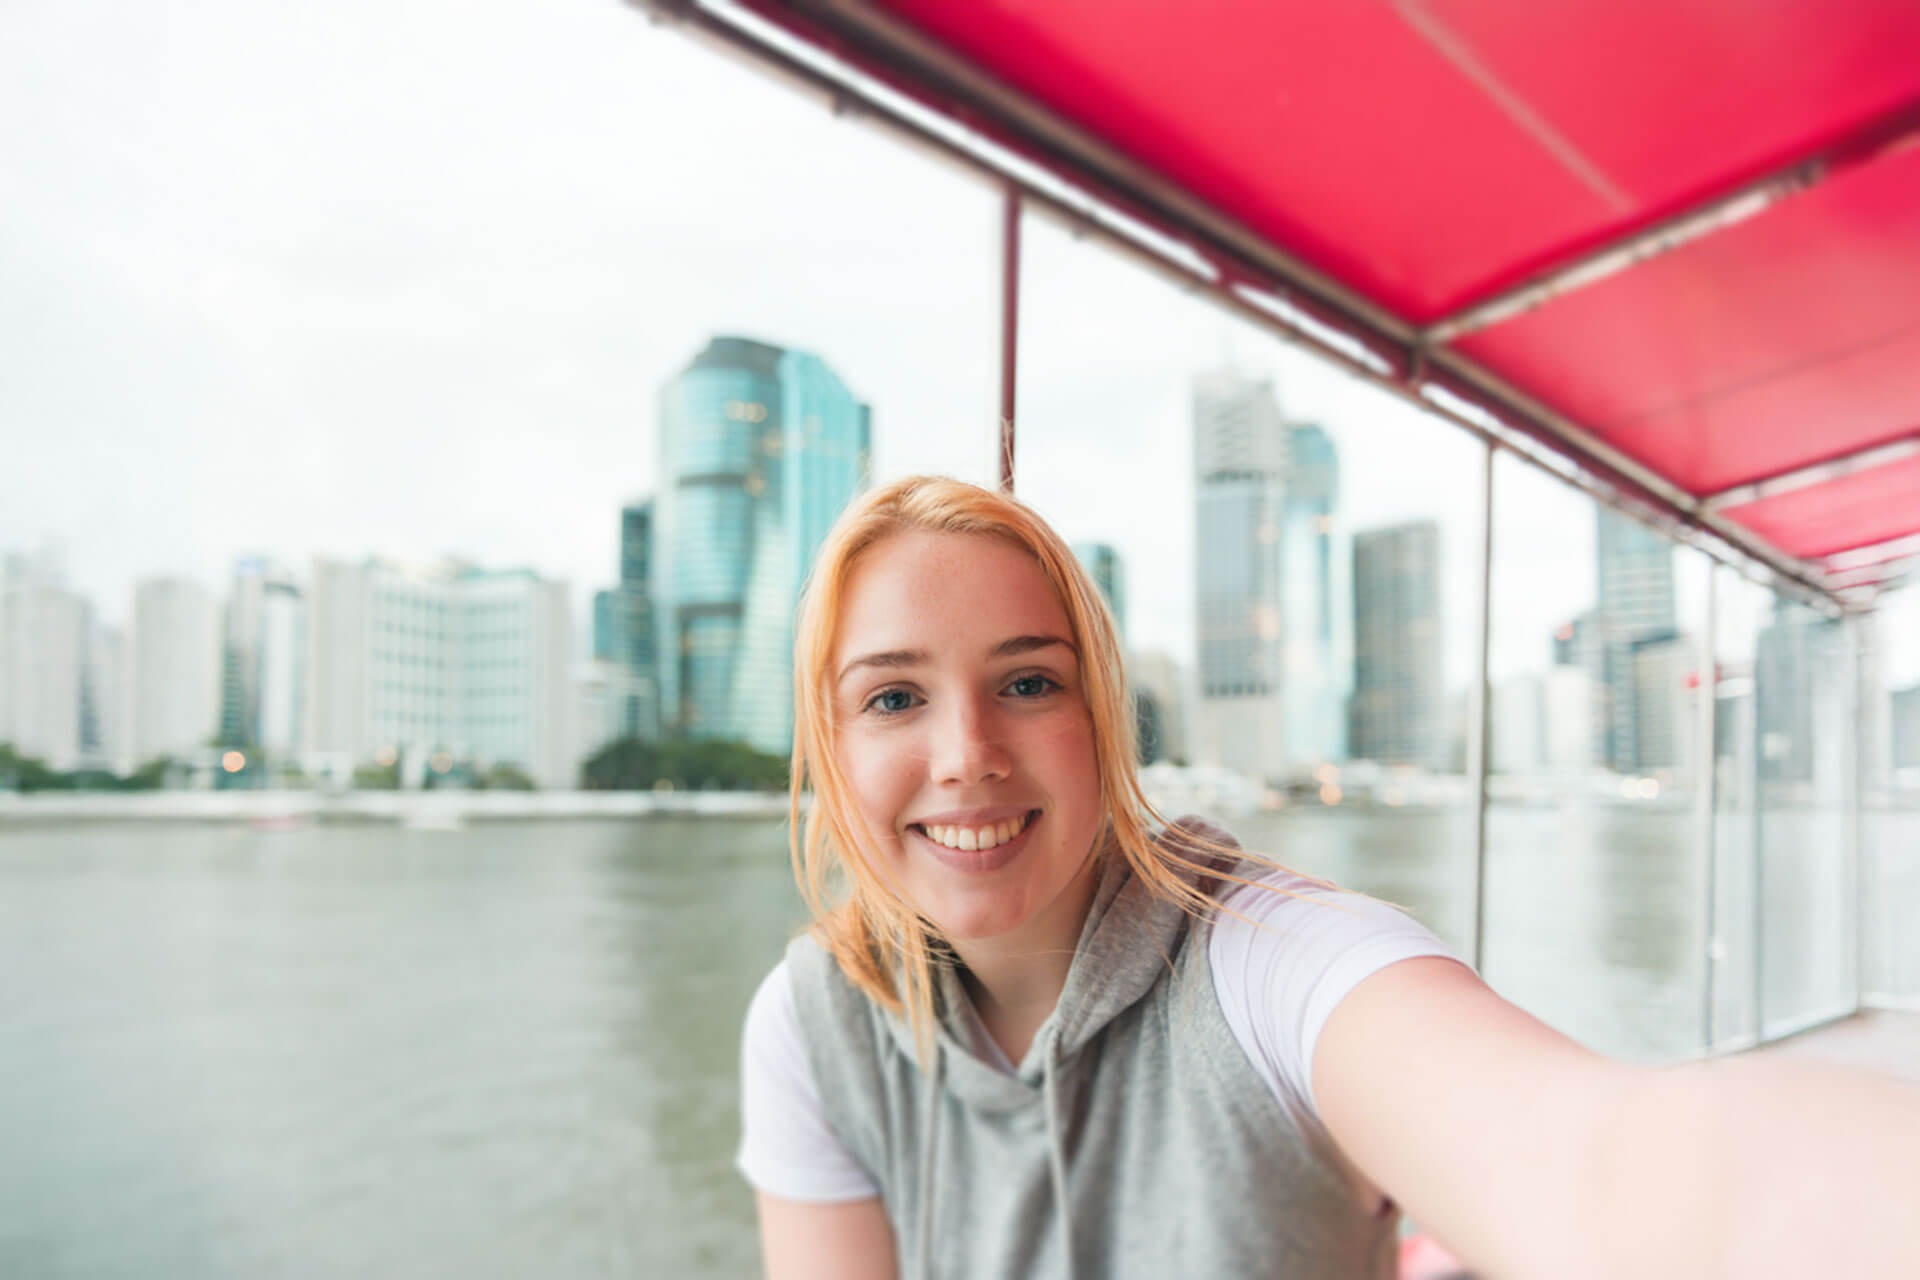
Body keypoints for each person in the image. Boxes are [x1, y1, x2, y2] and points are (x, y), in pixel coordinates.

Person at [736, 475, 1920, 1280]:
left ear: (1104, 715)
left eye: (1031, 682)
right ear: (829, 747)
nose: (967, 755)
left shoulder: (1269, 961)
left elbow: (1615, 1161)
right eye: (894, 697)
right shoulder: (814, 1020)